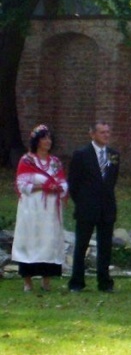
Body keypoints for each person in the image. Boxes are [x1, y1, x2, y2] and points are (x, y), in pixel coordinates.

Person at [11, 124, 68, 292]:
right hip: (32, 207)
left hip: (50, 209)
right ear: (36, 141)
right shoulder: (27, 160)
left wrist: (58, 188)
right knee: (30, 239)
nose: (47, 141)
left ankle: (46, 280)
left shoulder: (55, 162)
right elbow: (21, 184)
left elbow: (63, 181)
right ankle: (27, 281)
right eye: (44, 138)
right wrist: (42, 187)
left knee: (48, 240)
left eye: (49, 138)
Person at [68, 121, 120, 293]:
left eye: (107, 132)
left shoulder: (114, 155)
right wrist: (82, 202)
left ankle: (104, 282)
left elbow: (112, 181)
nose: (106, 135)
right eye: (102, 132)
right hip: (87, 208)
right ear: (92, 134)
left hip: (107, 208)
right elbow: (73, 183)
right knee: (81, 246)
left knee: (105, 247)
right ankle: (77, 282)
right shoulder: (81, 155)